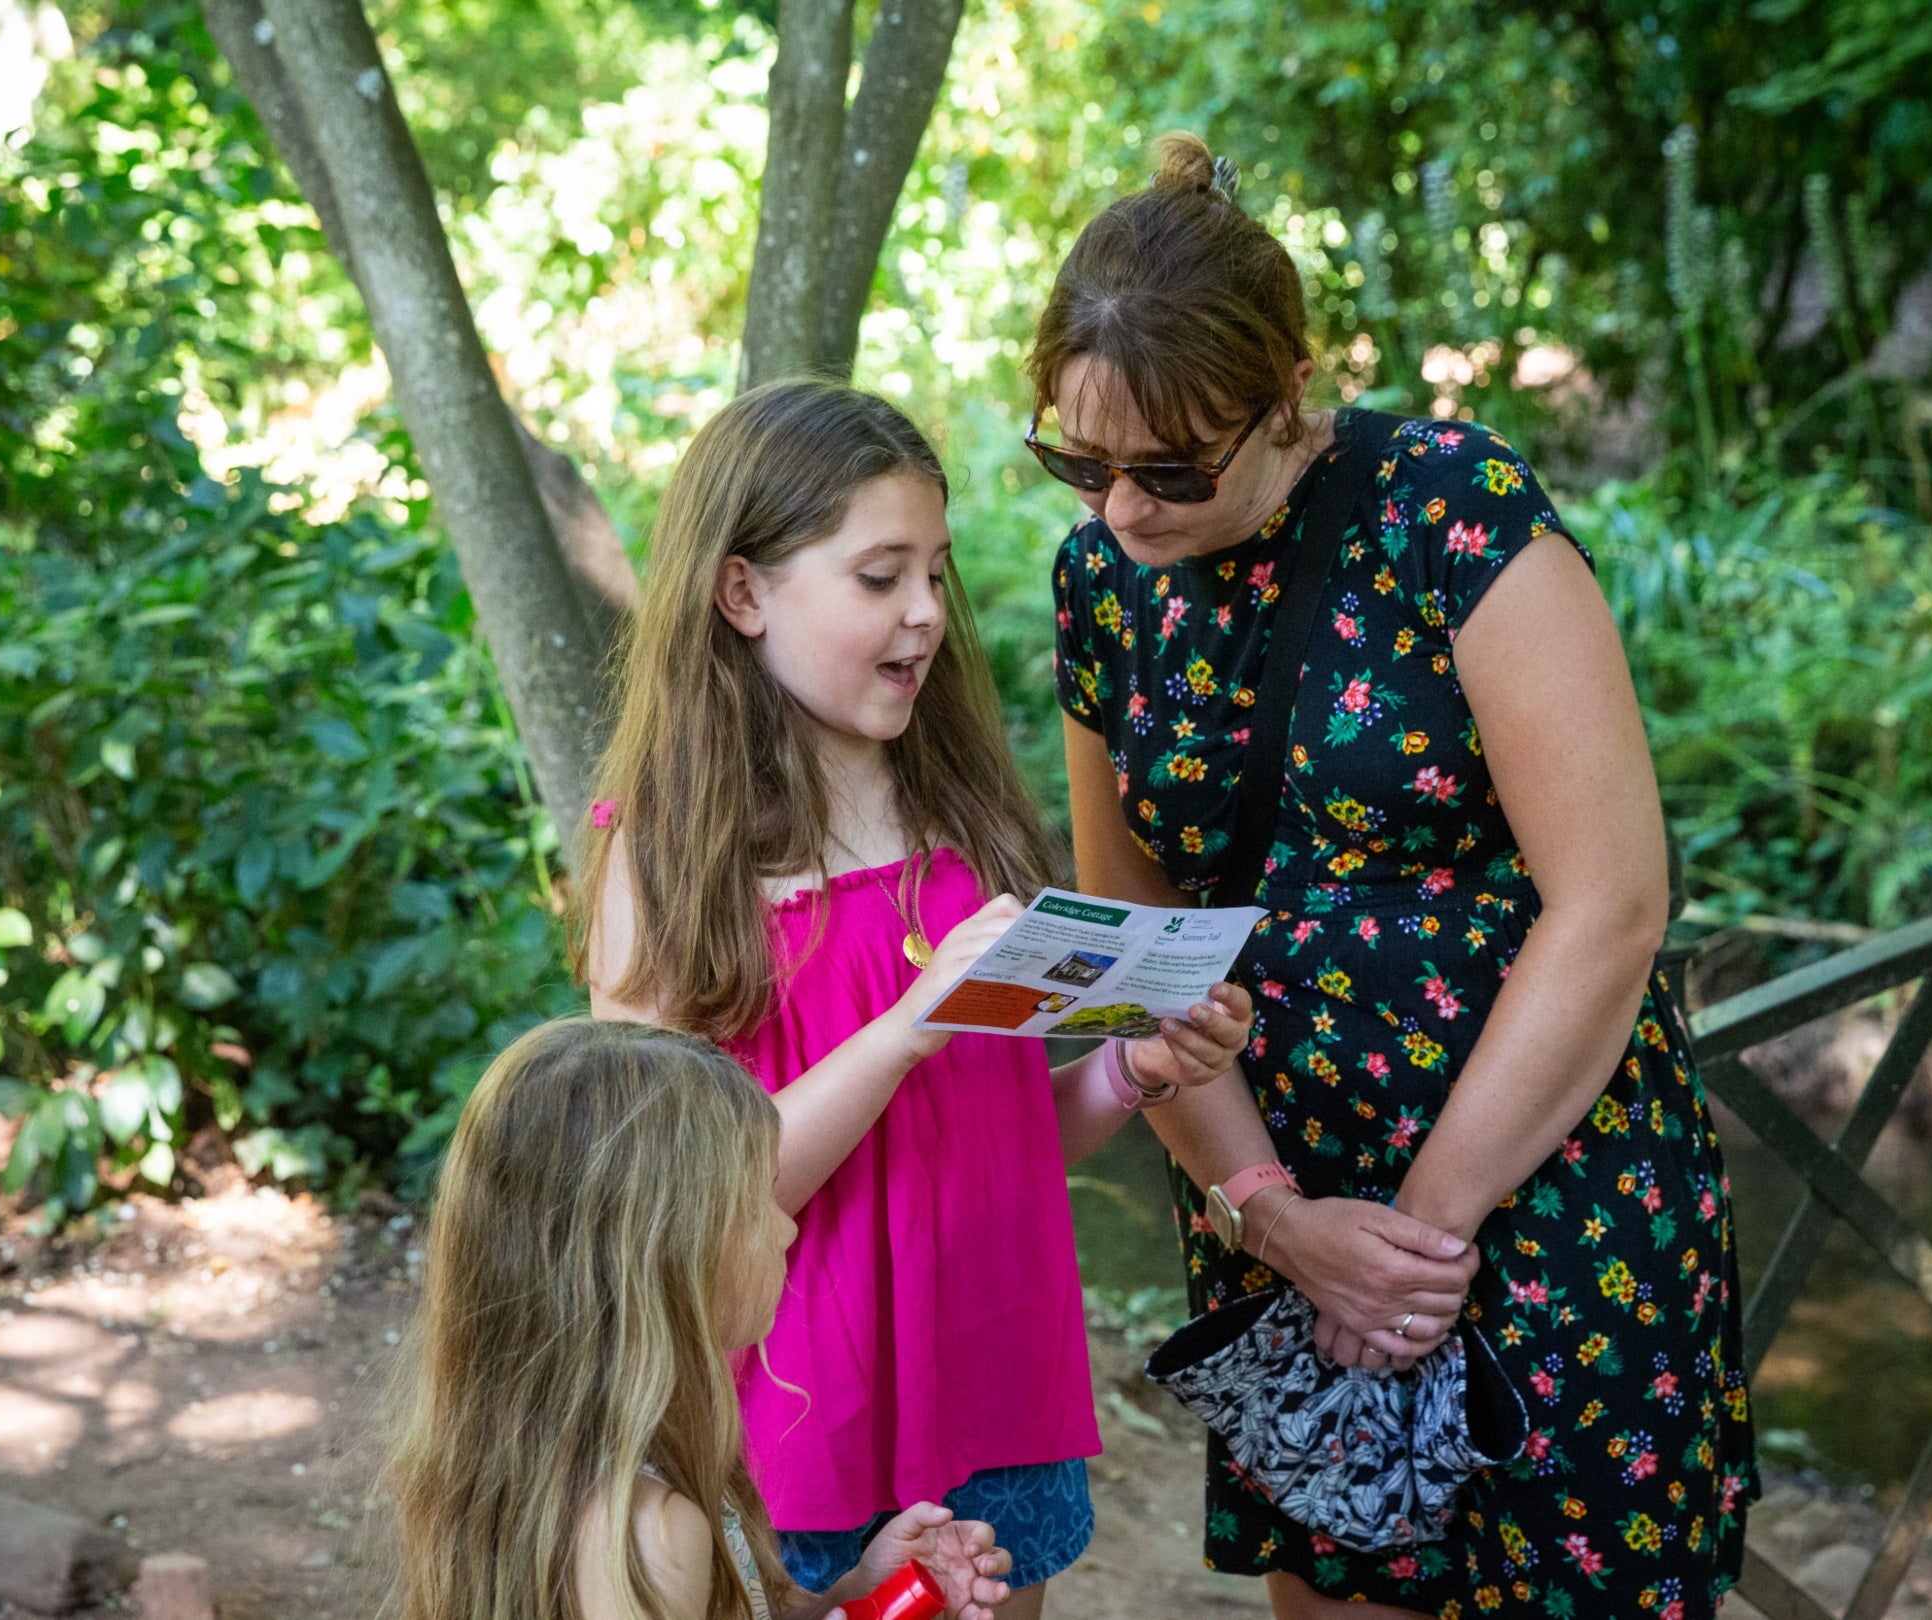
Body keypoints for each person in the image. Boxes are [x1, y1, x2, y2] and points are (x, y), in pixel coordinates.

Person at [1035, 134, 1759, 1619]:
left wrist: (1414, 1247)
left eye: (1170, 467)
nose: (1120, 509)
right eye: (1077, 460)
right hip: (1277, 1206)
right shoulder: (1098, 582)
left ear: (1290, 387)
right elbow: (1134, 946)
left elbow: (1611, 901)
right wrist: (1272, 1217)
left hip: (1540, 1196)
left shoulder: (1448, 507)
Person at [569, 380, 1256, 1616]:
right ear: (742, 593)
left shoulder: (962, 822)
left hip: (995, 1379)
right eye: (880, 577)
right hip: (795, 1426)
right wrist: (910, 1025)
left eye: (935, 572)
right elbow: (683, 1205)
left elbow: (995, 1134)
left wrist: (1133, 1070)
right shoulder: (661, 859)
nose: (929, 613)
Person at [377, 1017, 1018, 1620]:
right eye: (756, 1200)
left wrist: (860, 1595)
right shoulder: (649, 1538)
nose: (786, 1226)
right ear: (663, 1257)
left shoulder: (544, 1455)